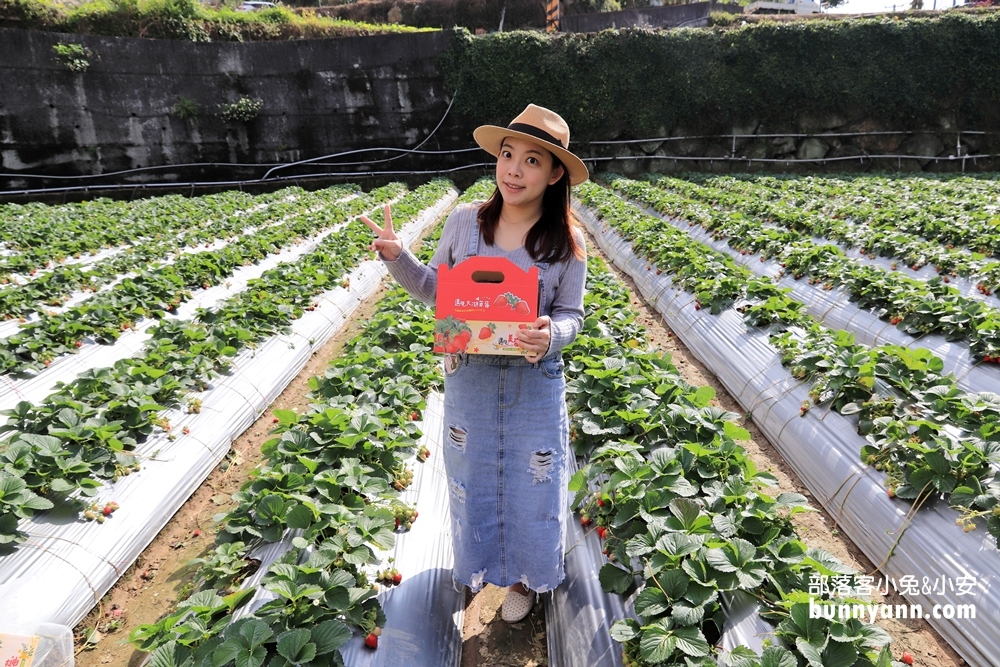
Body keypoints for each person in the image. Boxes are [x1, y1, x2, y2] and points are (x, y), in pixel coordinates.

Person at [361, 104, 588, 623]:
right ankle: (481, 566)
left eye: (532, 161)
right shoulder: (465, 224)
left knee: (534, 485)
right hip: (472, 382)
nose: (513, 169)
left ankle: (524, 581)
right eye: (507, 155)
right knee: (475, 477)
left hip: (534, 386)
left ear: (555, 174)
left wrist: (550, 334)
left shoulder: (566, 246)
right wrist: (398, 256)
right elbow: (435, 290)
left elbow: (573, 315)